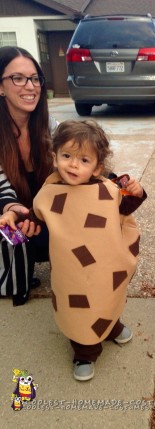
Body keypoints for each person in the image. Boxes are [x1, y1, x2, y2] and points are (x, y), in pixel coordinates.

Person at [0, 119, 147, 381]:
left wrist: (136, 192)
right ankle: (84, 351)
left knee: (107, 297)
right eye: (66, 156)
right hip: (72, 272)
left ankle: (110, 326)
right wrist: (14, 223)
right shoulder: (49, 194)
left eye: (84, 160)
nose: (73, 164)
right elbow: (32, 221)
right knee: (79, 309)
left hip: (106, 265)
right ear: (54, 157)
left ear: (98, 166)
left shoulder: (109, 189)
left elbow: (127, 209)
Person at [0, 46, 57, 306]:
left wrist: (113, 182)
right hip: (10, 218)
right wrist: (14, 210)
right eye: (18, 78)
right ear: (1, 87)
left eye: (35, 78)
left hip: (39, 216)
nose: (30, 86)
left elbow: (80, 157)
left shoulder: (48, 126)